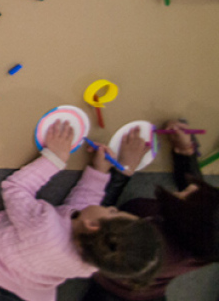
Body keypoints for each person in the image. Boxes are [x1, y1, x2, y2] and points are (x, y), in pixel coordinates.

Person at [0, 121, 164, 301]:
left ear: (93, 226)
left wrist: (54, 159)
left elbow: (15, 188)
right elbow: (81, 209)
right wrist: (98, 172)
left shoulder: (43, 227)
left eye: (112, 213)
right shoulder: (96, 257)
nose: (111, 207)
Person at [84, 120, 219, 301]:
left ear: (182, 219)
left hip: (116, 289)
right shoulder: (205, 238)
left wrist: (123, 170)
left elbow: (93, 215)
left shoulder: (145, 242)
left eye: (186, 196)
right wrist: (185, 154)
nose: (192, 187)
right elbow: (204, 208)